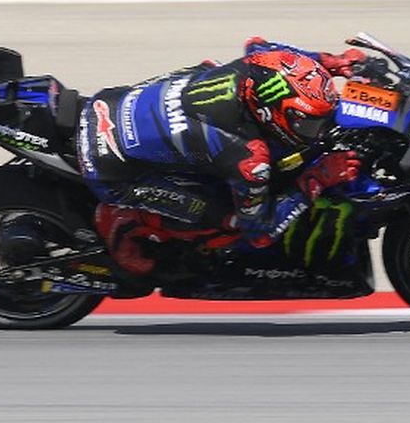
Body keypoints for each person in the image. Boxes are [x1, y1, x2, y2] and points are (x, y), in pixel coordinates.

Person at [75, 37, 366, 276]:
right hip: (111, 167)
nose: (319, 129)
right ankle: (122, 221)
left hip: (109, 103)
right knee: (231, 223)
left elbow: (258, 44)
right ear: (268, 112)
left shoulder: (257, 66)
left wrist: (330, 62)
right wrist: (317, 178)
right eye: (308, 122)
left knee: (210, 68)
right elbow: (260, 233)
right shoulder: (248, 155)